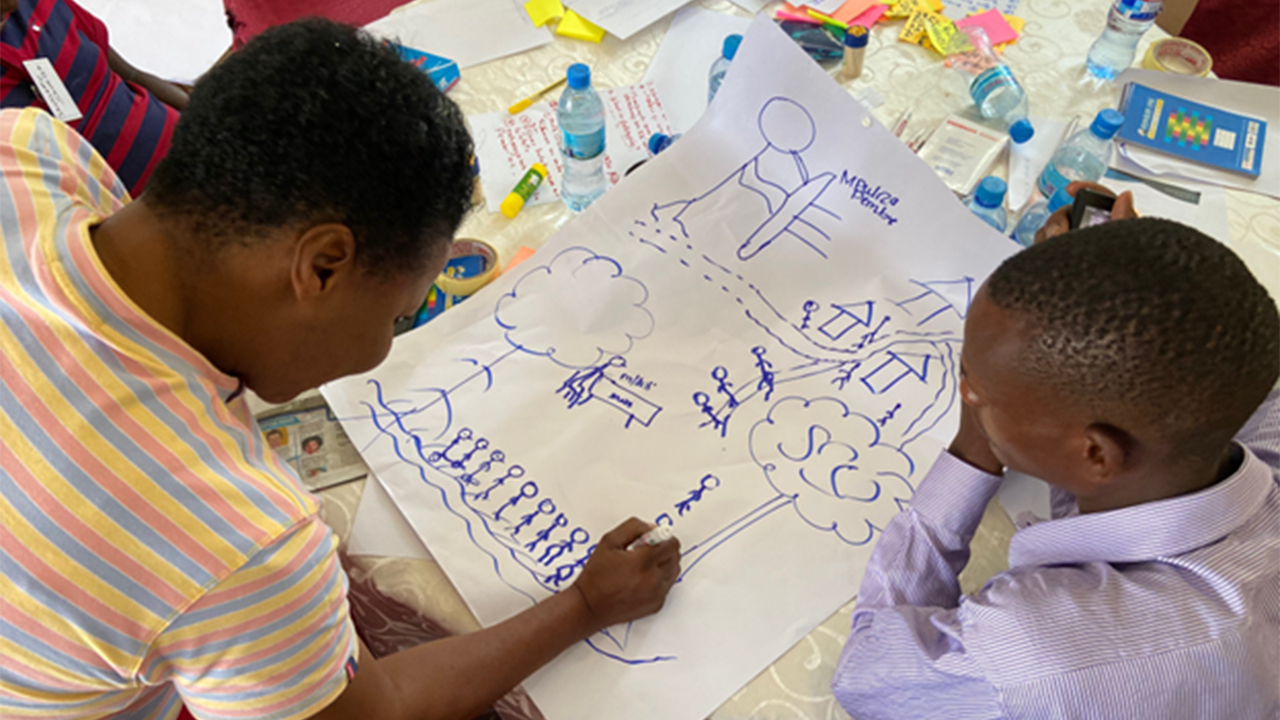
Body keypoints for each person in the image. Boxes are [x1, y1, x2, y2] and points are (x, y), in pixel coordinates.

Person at [0, 18, 679, 720]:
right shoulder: (240, 545)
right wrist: (584, 605)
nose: (387, 348)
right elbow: (371, 712)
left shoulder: (26, 152)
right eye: (395, 317)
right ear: (322, 267)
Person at [831, 215, 1279, 718]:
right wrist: (1110, 279)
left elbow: (869, 675)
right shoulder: (1239, 430)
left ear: (1095, 453)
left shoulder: (1026, 655)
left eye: (975, 388)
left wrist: (975, 444)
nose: (964, 394)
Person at [0, 0, 190, 195]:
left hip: (194, 147)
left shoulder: (38, 5)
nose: (12, 6)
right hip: (143, 209)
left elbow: (132, 75)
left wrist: (203, 113)